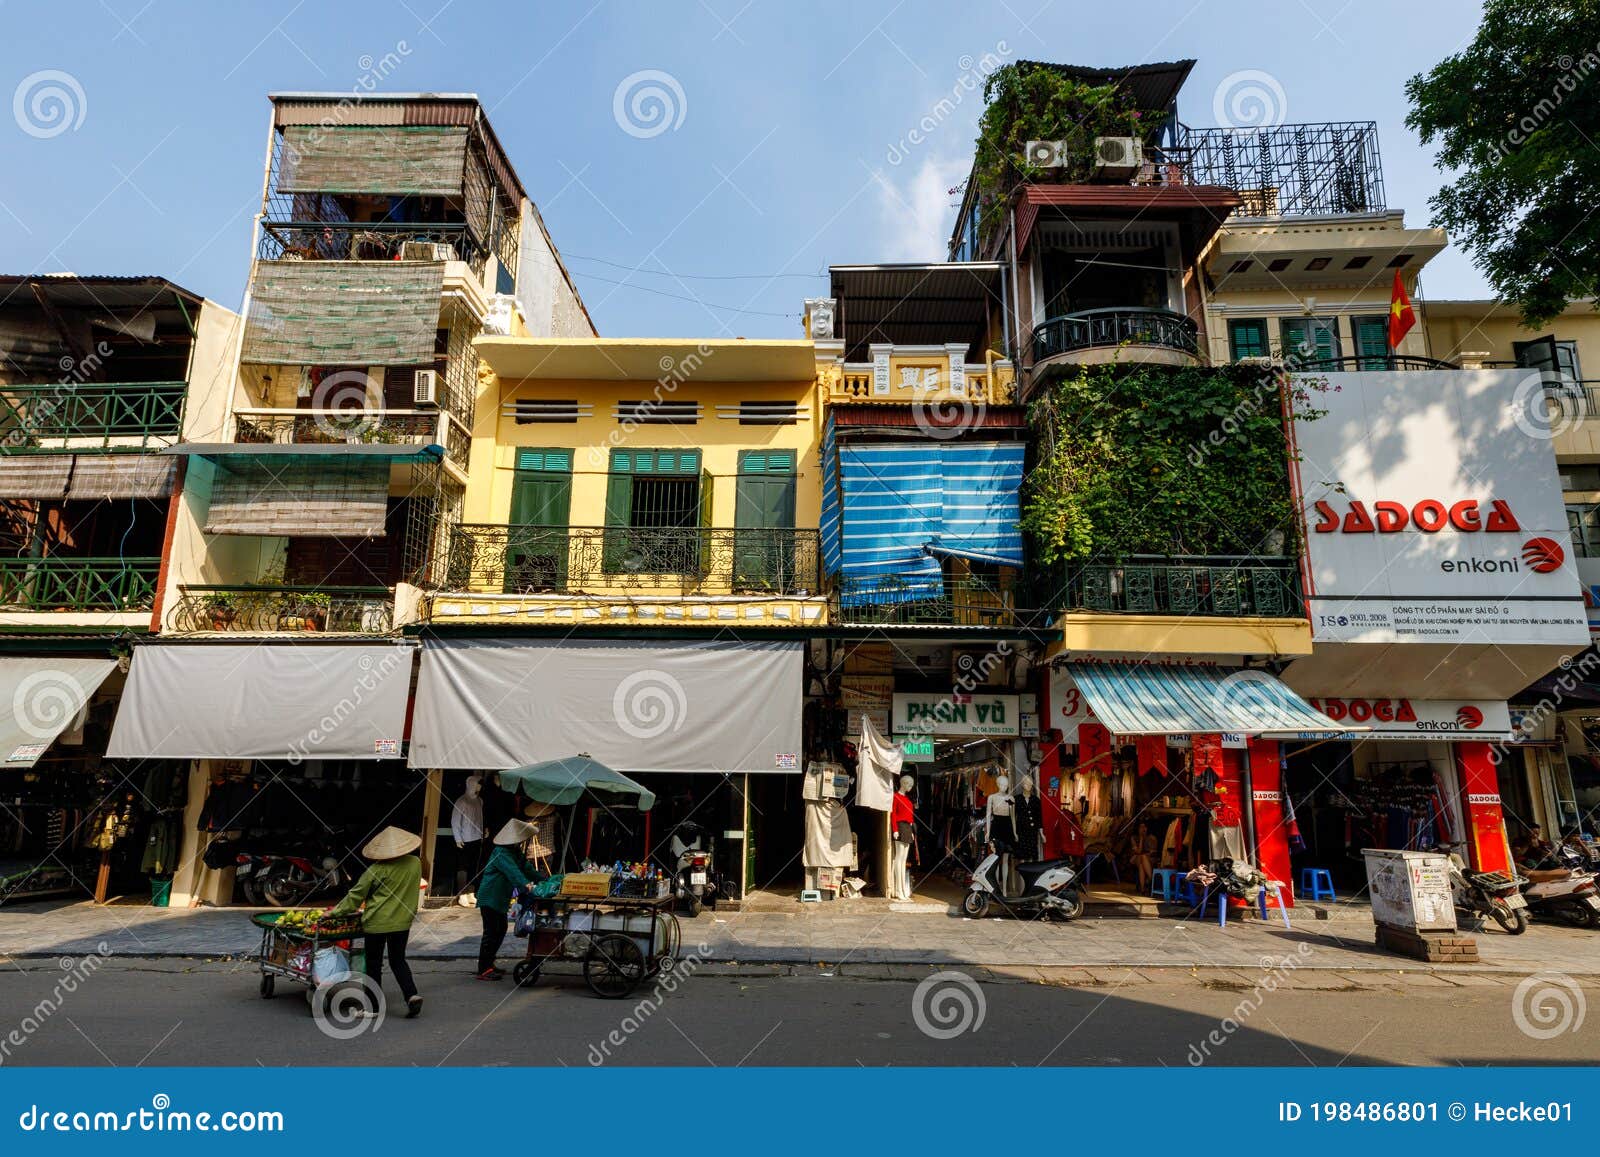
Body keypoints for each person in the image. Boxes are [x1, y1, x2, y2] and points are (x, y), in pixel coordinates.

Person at [327, 826, 423, 1018]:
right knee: (398, 960)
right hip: (402, 922)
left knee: (373, 964)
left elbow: (355, 896)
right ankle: (411, 995)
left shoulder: (377, 869)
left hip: (376, 923)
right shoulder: (415, 863)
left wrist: (334, 913)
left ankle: (373, 1007)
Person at [475, 819, 542, 980]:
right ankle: (483, 969)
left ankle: (489, 964)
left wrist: (543, 880)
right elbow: (513, 872)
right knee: (491, 932)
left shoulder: (515, 852)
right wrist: (527, 886)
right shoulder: (500, 852)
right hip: (490, 897)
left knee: (500, 929)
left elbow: (527, 868)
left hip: (500, 898)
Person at [1129, 821, 1158, 893]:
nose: (1143, 829)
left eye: (1144, 827)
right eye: (1141, 827)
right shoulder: (1134, 838)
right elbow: (1138, 852)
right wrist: (1141, 839)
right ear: (1137, 828)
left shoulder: (1152, 837)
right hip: (1136, 857)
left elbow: (1154, 851)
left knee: (1142, 863)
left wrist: (1148, 853)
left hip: (1149, 858)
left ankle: (1142, 889)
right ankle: (1151, 880)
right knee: (1142, 857)